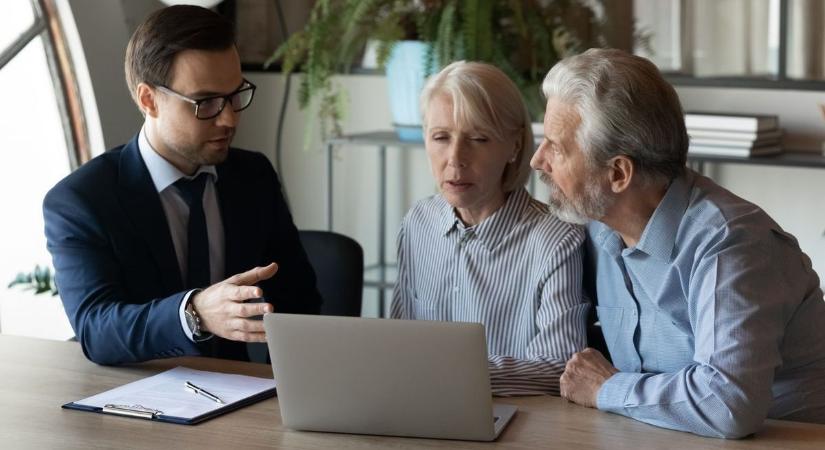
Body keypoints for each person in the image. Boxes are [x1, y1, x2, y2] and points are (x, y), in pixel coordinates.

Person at [529, 48, 825, 437]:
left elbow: (727, 403)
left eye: (557, 147)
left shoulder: (732, 244)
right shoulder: (599, 228)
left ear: (619, 173)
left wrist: (606, 388)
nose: (537, 161)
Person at [43, 5, 321, 365]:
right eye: (205, 102)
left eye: (235, 94)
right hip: (137, 403)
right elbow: (96, 329)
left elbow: (300, 300)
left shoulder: (253, 176)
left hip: (242, 397)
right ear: (148, 100)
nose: (229, 118)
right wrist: (194, 312)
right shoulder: (82, 200)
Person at [391, 61, 588, 396]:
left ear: (514, 146)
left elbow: (560, 366)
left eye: (478, 139)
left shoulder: (556, 241)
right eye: (440, 137)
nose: (455, 158)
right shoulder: (417, 224)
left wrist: (452, 375)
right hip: (417, 412)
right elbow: (396, 345)